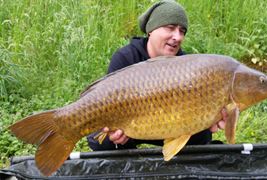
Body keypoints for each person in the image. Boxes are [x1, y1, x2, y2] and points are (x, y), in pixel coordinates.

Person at [87, 0, 228, 151]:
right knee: (101, 141)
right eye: (170, 28)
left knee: (203, 136)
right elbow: (106, 103)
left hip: (172, 125)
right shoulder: (126, 58)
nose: (178, 37)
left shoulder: (187, 66)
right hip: (134, 127)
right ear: (150, 30)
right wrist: (114, 135)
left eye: (182, 31)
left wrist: (208, 119)